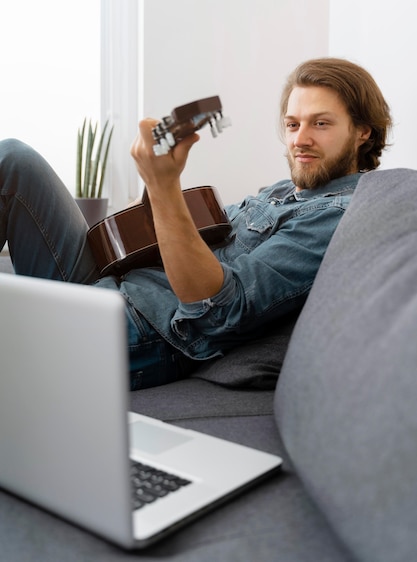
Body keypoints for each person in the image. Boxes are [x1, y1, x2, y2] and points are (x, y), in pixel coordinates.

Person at [0, 57, 392, 390]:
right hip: (112, 282)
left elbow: (217, 310)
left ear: (362, 132)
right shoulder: (281, 192)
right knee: (14, 158)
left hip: (142, 328)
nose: (300, 139)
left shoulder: (340, 215)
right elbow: (181, 241)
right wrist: (155, 184)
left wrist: (165, 183)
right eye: (292, 125)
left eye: (320, 124)